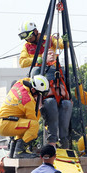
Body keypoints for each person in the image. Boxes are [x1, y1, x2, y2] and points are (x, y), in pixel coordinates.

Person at [18, 21, 72, 149]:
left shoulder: (48, 39)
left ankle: (64, 141)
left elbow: (62, 45)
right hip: (41, 83)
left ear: (36, 32)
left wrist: (65, 40)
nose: (29, 39)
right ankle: (52, 140)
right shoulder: (27, 47)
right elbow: (22, 62)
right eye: (26, 37)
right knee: (50, 103)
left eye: (30, 36)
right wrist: (38, 59)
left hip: (55, 88)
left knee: (66, 105)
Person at [0, 75, 49, 158]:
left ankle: (13, 150)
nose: (39, 96)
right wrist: (40, 107)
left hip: (2, 123)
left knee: (25, 125)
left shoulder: (19, 83)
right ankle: (20, 151)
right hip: (5, 124)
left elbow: (28, 79)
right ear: (33, 90)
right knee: (33, 126)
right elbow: (34, 120)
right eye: (39, 94)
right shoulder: (28, 101)